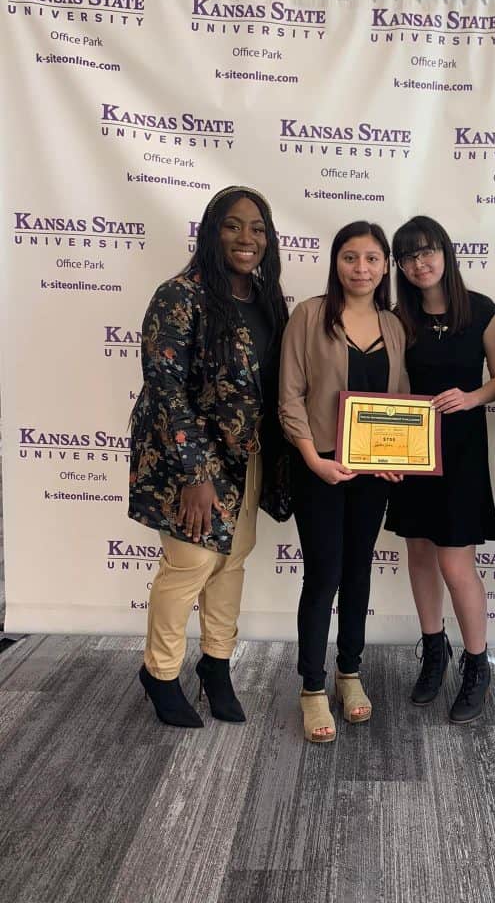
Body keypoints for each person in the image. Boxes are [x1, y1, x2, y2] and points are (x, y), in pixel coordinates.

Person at [129, 186, 289, 728]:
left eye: (258, 228)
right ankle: (161, 672)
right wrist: (195, 473)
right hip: (190, 457)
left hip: (248, 453)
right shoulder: (179, 295)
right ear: (211, 230)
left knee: (232, 560)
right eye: (233, 225)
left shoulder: (269, 299)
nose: (247, 238)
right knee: (191, 563)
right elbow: (165, 390)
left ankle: (216, 665)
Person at [279, 221, 408, 744]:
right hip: (320, 468)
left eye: (373, 258)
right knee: (324, 574)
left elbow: (399, 402)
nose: (362, 268)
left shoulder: (395, 325)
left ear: (385, 266)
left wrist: (396, 456)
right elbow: (290, 396)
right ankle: (312, 687)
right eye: (351, 257)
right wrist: (313, 459)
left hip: (373, 474)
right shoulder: (309, 315)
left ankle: (348, 673)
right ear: (336, 262)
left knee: (358, 572)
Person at [386, 216, 495, 724]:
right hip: (411, 447)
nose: (420, 263)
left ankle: (477, 663)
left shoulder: (482, 310)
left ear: (446, 251)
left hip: (460, 450)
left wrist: (471, 396)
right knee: (418, 553)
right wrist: (381, 451)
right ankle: (434, 650)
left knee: (456, 564)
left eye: (427, 251)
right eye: (409, 256)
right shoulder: (395, 317)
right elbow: (387, 388)